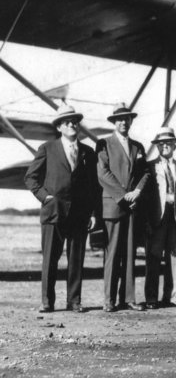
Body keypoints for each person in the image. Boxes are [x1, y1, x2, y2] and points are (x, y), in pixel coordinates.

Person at [24, 104, 101, 313]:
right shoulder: (47, 149)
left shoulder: (87, 152)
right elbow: (30, 178)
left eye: (75, 121)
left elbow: (93, 186)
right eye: (67, 121)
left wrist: (93, 213)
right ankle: (47, 302)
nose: (72, 124)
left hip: (80, 214)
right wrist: (45, 197)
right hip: (54, 212)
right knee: (50, 259)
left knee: (76, 259)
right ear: (59, 127)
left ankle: (74, 301)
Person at [96, 103, 150, 312]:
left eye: (127, 119)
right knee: (112, 254)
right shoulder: (104, 144)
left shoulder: (138, 146)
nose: (123, 122)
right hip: (114, 205)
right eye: (119, 119)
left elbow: (145, 172)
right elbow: (103, 173)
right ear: (113, 122)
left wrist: (137, 191)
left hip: (132, 206)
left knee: (129, 254)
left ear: (131, 121)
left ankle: (128, 297)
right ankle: (109, 300)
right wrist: (123, 196)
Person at [144, 127, 176, 309]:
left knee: (175, 258)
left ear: (174, 145)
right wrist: (147, 222)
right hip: (157, 218)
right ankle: (151, 298)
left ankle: (172, 296)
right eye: (162, 143)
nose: (165, 146)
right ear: (157, 146)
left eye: (169, 143)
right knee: (153, 258)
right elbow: (147, 197)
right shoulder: (150, 166)